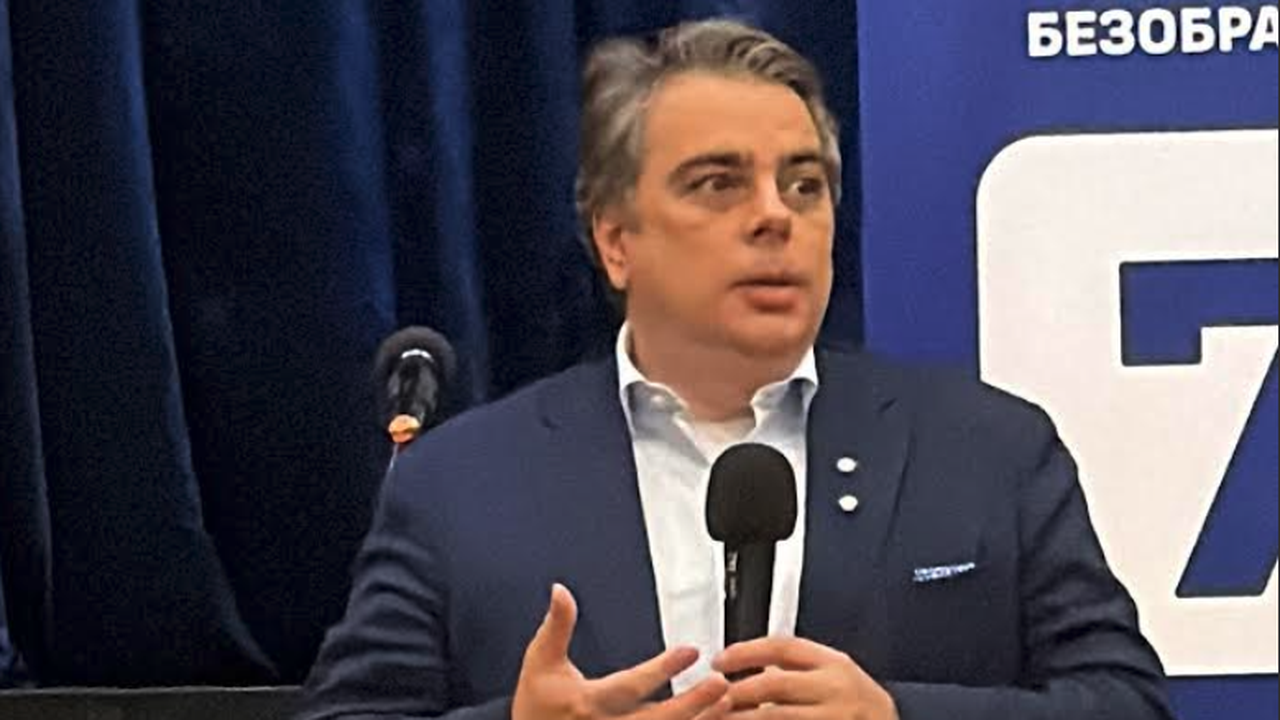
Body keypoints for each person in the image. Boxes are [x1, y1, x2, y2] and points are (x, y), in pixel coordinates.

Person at [300, 19, 1174, 720]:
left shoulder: (988, 448)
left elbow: (1126, 702)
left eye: (803, 186)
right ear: (616, 240)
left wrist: (896, 715)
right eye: (718, 184)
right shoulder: (462, 483)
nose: (773, 217)